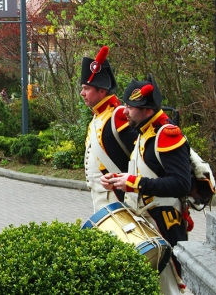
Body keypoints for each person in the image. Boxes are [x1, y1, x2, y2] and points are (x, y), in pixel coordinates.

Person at [100, 74, 192, 295]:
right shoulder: (144, 131)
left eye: (131, 107)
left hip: (164, 224)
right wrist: (119, 181)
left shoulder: (167, 135)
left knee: (169, 286)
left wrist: (134, 182)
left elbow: (181, 184)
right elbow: (144, 175)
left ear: (148, 111)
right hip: (144, 223)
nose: (125, 111)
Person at [80, 46, 137, 213]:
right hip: (100, 197)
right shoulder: (99, 117)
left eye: (87, 88)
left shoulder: (118, 116)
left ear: (102, 91)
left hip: (117, 198)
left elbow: (141, 156)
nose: (82, 93)